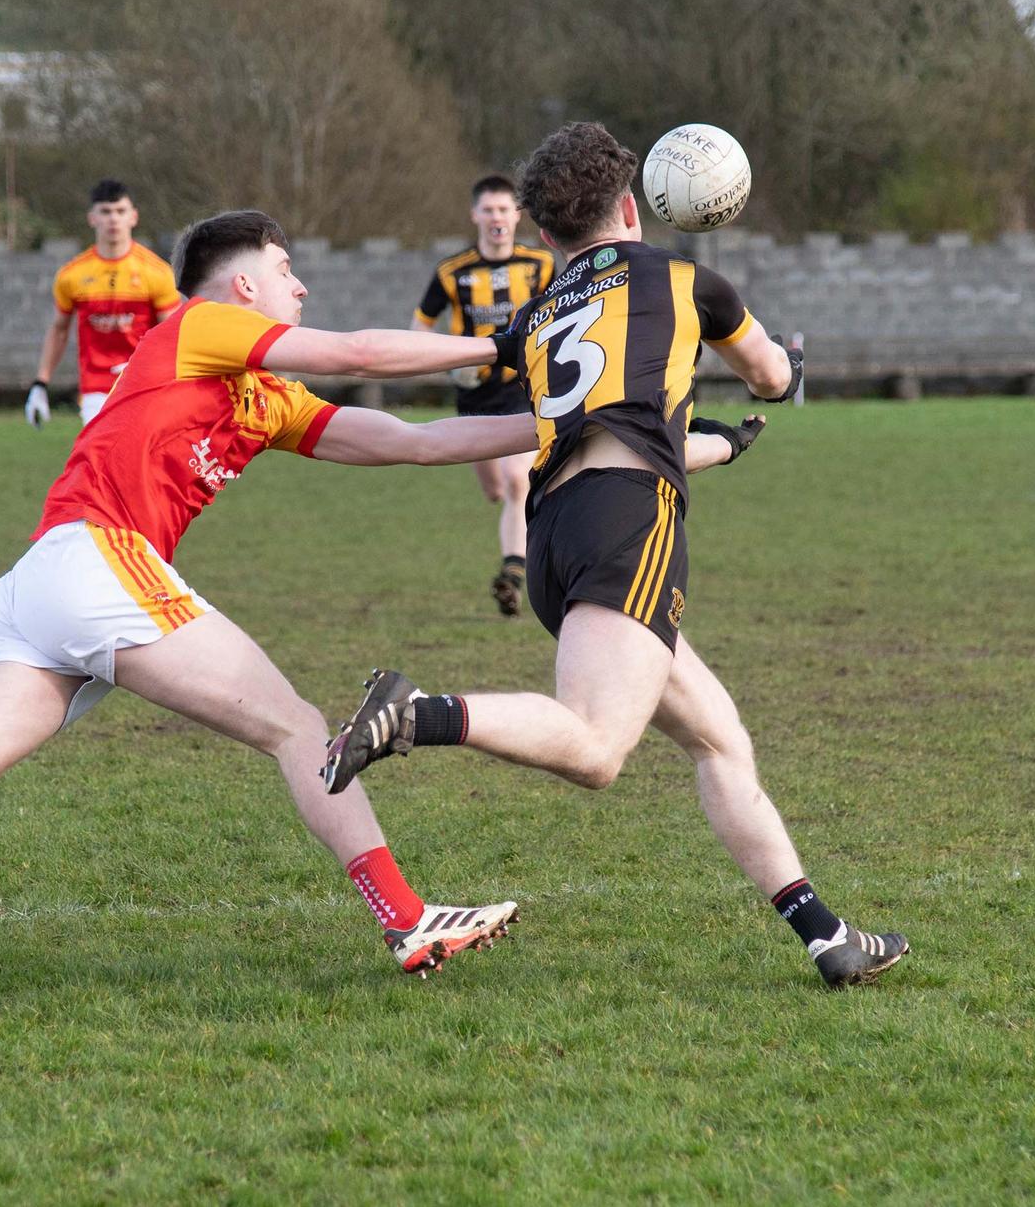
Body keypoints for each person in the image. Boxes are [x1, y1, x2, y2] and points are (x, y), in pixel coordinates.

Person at [0, 209, 540, 1010]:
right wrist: (506, 341)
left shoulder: (265, 398)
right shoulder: (200, 323)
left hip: (45, 582)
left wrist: (551, 424)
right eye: (287, 271)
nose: (303, 287)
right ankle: (405, 917)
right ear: (241, 285)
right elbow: (359, 351)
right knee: (295, 723)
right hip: (97, 560)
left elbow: (414, 441)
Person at [324, 122, 910, 989]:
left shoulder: (542, 310)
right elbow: (769, 380)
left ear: (545, 236)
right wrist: (786, 367)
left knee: (718, 736)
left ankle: (827, 936)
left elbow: (583, 419)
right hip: (625, 520)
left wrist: (710, 445)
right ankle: (416, 714)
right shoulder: (687, 281)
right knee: (598, 749)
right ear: (631, 208)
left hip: (558, 536)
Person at [411, 175, 557, 616]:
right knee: (495, 489)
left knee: (517, 482)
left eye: (505, 209)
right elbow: (420, 326)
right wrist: (445, 364)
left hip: (522, 389)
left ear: (518, 215)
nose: (498, 218)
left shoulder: (542, 266)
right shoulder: (453, 273)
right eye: (489, 210)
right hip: (474, 396)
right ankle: (512, 544)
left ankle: (512, 571)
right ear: (475, 215)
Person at [27, 179, 182, 429]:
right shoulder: (72, 275)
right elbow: (59, 329)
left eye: (120, 211)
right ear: (92, 218)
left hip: (146, 383)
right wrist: (40, 383)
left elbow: (175, 335)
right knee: (102, 458)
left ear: (133, 217)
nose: (113, 219)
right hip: (95, 389)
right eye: (106, 212)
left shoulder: (157, 273)